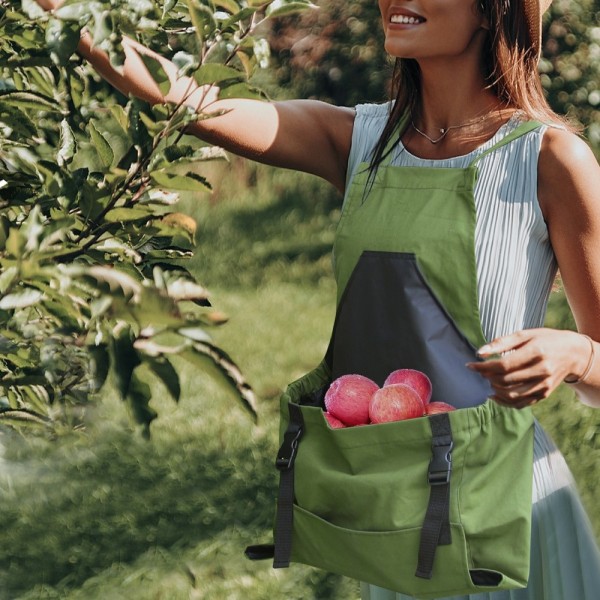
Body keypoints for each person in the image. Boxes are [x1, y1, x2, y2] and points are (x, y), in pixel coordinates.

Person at [34, 0, 600, 598]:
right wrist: (72, 13)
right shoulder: (359, 140)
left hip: (505, 515)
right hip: (395, 513)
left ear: (493, 10)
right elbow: (188, 99)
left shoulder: (549, 159)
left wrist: (575, 356)